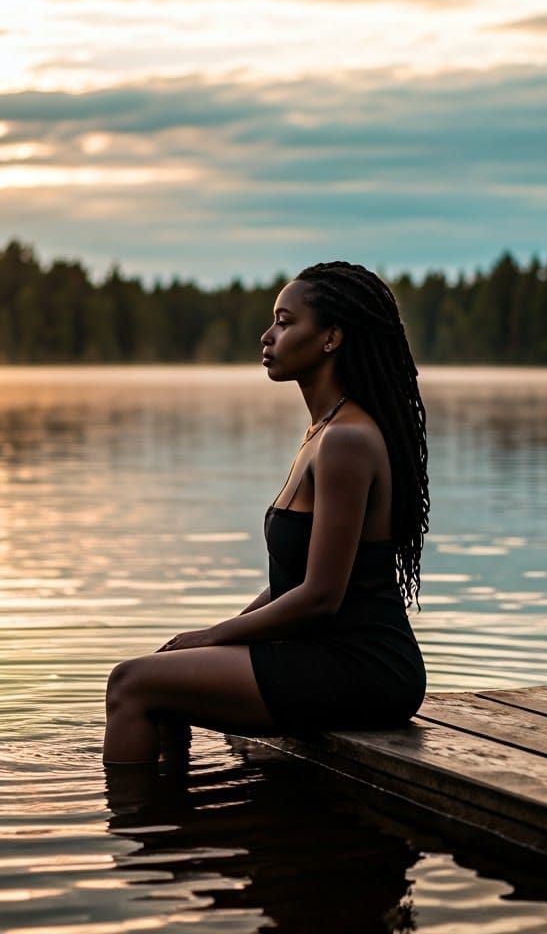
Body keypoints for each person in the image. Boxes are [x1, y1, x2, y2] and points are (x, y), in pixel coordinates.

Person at [103, 261, 429, 765]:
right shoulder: (324, 432)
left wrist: (213, 637)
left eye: (285, 321)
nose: (267, 335)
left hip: (365, 667)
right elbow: (291, 584)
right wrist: (212, 640)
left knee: (130, 683)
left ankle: (134, 813)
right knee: (162, 675)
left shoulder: (346, 440)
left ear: (330, 338)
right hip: (323, 654)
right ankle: (170, 810)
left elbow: (320, 597)